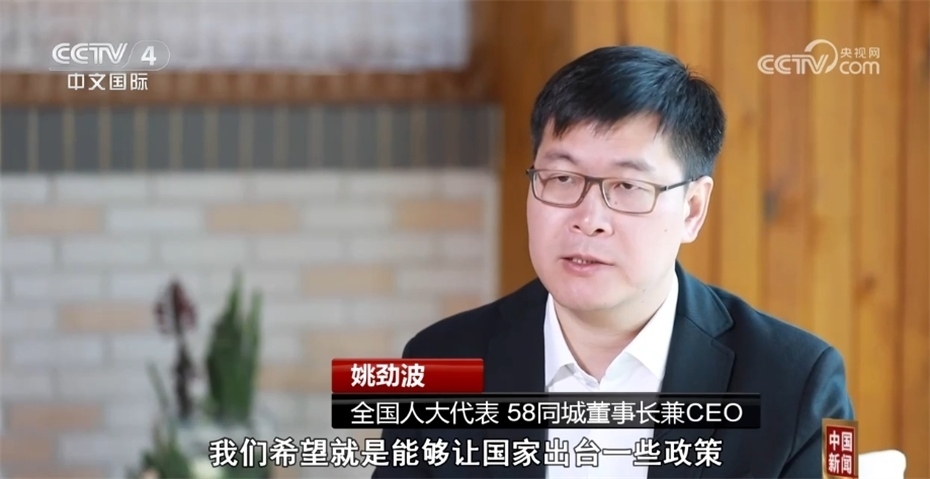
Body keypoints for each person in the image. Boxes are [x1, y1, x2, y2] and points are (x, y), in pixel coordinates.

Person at [372, 45, 854, 479]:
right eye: (561, 178)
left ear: (692, 209)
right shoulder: (440, 364)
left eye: (627, 186)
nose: (589, 220)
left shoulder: (801, 383)